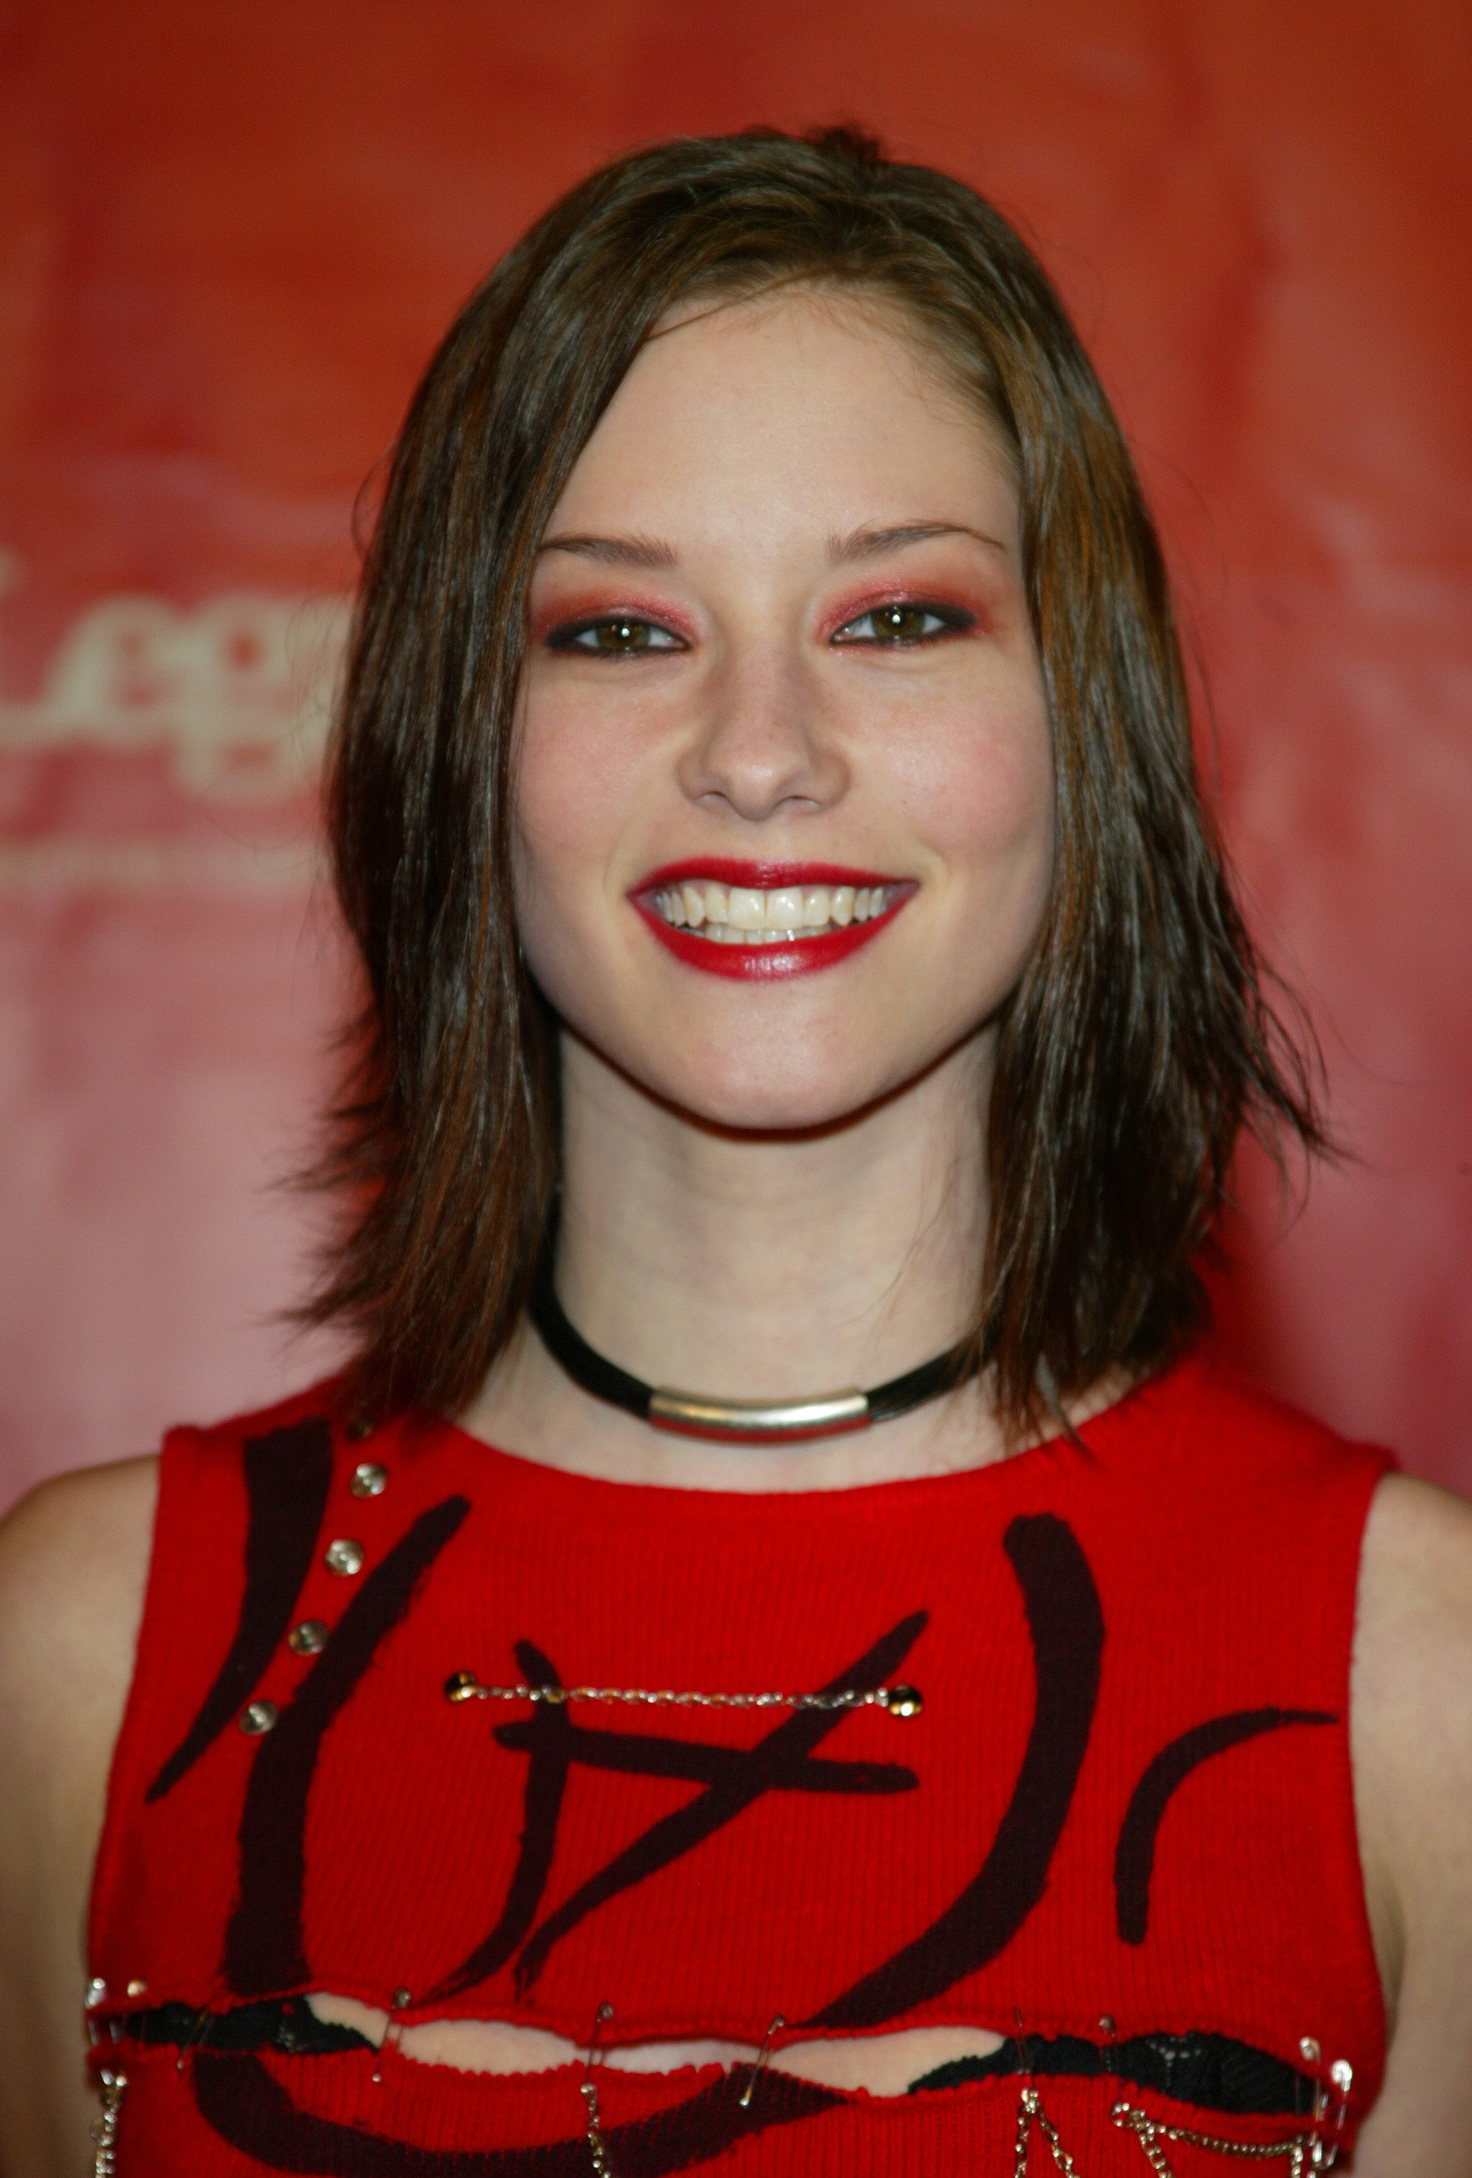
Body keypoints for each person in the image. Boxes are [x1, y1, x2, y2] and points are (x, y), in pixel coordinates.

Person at [0, 126, 1468, 2178]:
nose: (760, 754)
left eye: (898, 617)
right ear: (458, 733)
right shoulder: (83, 1657)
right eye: (618, 632)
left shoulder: (1422, 1695)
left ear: (1087, 725)